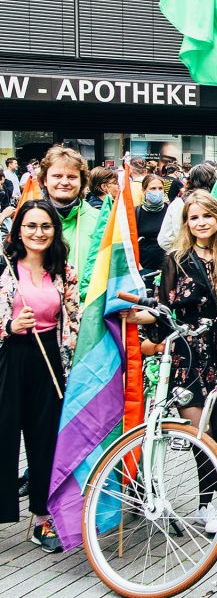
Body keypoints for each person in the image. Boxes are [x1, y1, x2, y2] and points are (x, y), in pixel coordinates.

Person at [127, 191, 217, 536]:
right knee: (200, 433)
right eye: (194, 218)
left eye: (206, 216)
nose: (200, 223)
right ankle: (216, 500)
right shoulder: (176, 259)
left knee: (216, 433)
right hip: (185, 354)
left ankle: (209, 503)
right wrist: (137, 322)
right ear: (186, 223)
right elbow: (163, 308)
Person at [0, 201, 79, 553]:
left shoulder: (63, 270)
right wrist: (8, 326)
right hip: (8, 357)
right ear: (18, 230)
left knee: (44, 441)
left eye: (45, 226)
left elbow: (73, 318)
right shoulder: (4, 267)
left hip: (48, 359)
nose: (38, 232)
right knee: (3, 436)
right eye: (31, 226)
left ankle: (42, 520)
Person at [39, 146, 101, 299]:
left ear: (82, 182)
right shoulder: (31, 222)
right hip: (43, 310)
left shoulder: (100, 221)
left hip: (88, 309)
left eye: (72, 177)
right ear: (45, 180)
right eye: (57, 176)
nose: (64, 182)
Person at [158, 163, 217, 253]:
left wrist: (181, 252)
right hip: (216, 257)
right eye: (194, 218)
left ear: (189, 181)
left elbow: (164, 240)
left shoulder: (176, 205)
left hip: (184, 257)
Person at [136, 174, 169, 277]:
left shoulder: (170, 211)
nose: (157, 191)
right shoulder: (135, 213)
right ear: (144, 191)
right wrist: (138, 267)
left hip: (168, 269)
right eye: (153, 188)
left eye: (160, 188)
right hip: (144, 270)